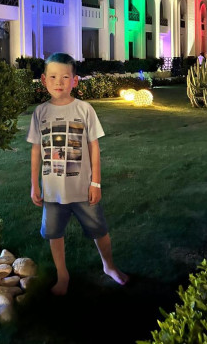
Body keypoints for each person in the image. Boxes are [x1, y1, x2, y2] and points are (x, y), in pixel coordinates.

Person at [27, 52, 128, 296]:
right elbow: (36, 150)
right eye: (53, 77)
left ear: (75, 80)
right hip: (52, 192)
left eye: (65, 77)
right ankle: (63, 276)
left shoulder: (84, 109)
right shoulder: (40, 113)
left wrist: (96, 183)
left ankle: (109, 266)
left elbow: (94, 147)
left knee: (99, 230)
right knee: (55, 234)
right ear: (44, 80)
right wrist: (34, 184)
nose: (58, 82)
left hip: (83, 189)